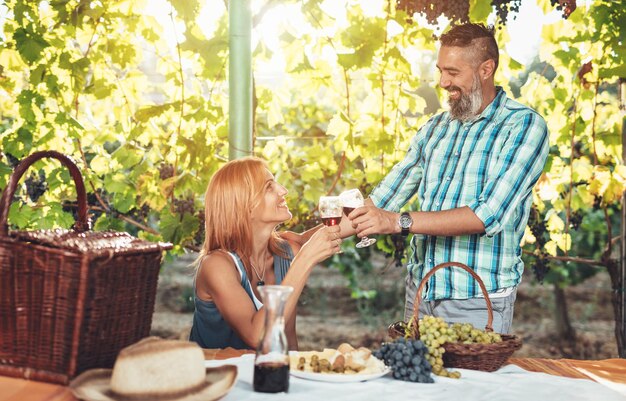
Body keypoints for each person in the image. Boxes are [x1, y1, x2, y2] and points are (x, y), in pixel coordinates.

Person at [347, 23, 549, 334]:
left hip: (476, 299)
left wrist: (397, 222)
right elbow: (385, 197)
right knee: (412, 379)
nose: (443, 82)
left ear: (486, 69)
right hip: (420, 292)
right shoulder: (436, 127)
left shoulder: (523, 127)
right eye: (441, 70)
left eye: (453, 72)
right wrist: (310, 240)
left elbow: (487, 215)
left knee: (468, 383)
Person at [189, 157, 342, 350]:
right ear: (245, 206)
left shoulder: (286, 253)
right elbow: (258, 337)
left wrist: (381, 213)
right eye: (269, 187)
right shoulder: (216, 266)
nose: (283, 190)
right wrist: (306, 258)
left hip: (266, 376)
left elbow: (287, 337)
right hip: (218, 378)